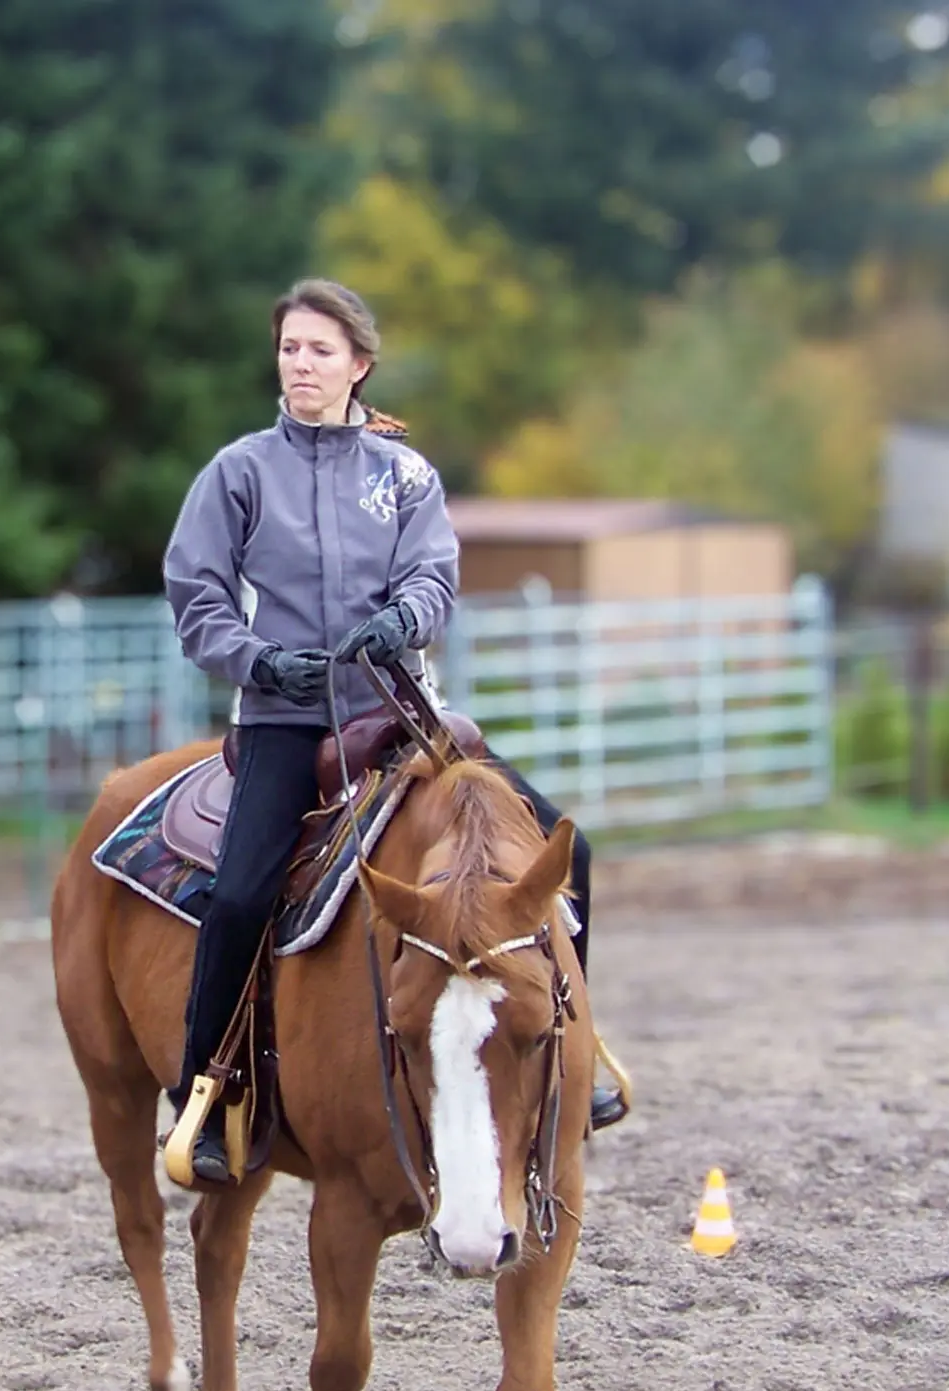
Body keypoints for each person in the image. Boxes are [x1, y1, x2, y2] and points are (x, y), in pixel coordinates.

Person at [160, 278, 629, 1187]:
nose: (300, 363)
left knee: (568, 852)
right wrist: (258, 660)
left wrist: (404, 621)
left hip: (401, 715)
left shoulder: (406, 476)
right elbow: (198, 596)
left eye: (320, 350)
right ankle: (203, 1096)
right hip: (284, 720)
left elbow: (433, 578)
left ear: (359, 366)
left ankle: (576, 1046)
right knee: (242, 892)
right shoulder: (238, 472)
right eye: (290, 348)